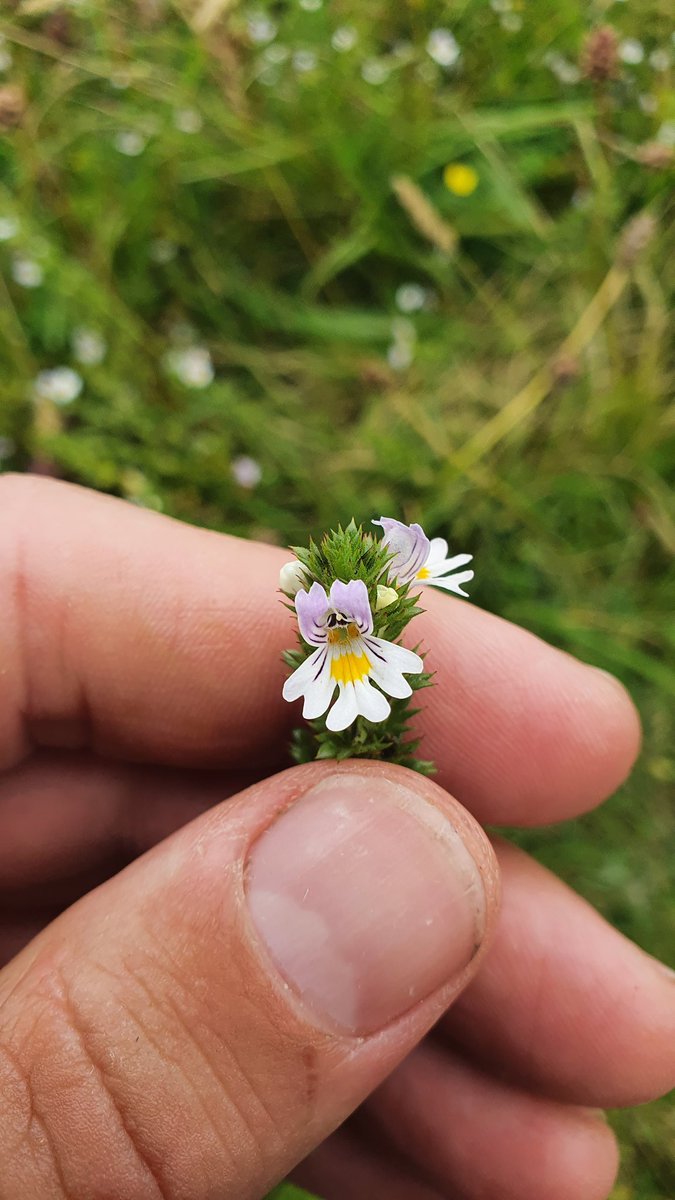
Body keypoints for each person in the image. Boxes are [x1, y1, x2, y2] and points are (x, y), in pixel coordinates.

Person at [0, 473, 672, 1200]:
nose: (347, 635)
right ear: (328, 618)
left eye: (352, 628)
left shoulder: (362, 635)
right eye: (338, 628)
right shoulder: (332, 640)